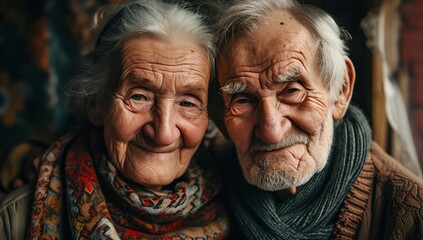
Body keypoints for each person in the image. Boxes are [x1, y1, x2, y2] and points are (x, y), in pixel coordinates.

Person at [0, 0, 230, 239]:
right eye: (139, 97)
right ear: (96, 104)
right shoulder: (16, 219)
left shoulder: (238, 201)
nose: (163, 134)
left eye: (187, 103)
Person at [208, 0, 423, 239]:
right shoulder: (208, 192)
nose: (272, 132)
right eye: (243, 100)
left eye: (292, 91)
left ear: (340, 90)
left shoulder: (411, 217)